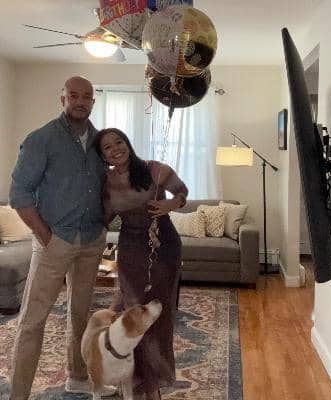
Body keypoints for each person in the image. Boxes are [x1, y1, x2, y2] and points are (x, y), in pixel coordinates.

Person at [8, 76, 115, 399]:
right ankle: (18, 394)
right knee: (32, 321)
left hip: (91, 241)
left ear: (93, 101)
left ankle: (78, 377)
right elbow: (19, 194)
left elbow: (108, 187)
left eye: (87, 96)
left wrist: (105, 222)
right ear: (63, 99)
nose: (80, 101)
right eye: (74, 95)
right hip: (54, 241)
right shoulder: (41, 139)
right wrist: (45, 236)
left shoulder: (100, 143)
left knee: (81, 314)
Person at [94, 128, 188, 400]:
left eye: (119, 142)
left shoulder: (154, 169)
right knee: (133, 314)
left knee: (159, 317)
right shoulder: (106, 183)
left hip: (164, 246)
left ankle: (154, 384)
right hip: (131, 248)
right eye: (107, 147)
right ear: (103, 156)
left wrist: (172, 204)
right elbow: (103, 218)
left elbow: (182, 191)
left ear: (128, 143)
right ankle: (136, 381)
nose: (115, 149)